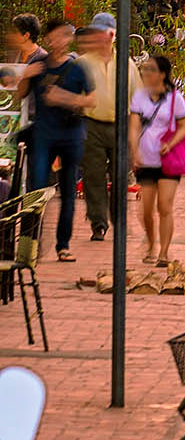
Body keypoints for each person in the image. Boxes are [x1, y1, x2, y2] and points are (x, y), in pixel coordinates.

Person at [18, 19, 94, 261]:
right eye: (56, 36)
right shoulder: (38, 65)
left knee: (68, 192)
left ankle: (63, 245)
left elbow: (92, 100)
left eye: (65, 35)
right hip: (43, 135)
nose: (61, 40)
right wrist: (25, 76)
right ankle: (30, 245)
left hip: (71, 136)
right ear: (48, 39)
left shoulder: (78, 68)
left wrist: (64, 99)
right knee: (35, 189)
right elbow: (19, 94)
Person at [76, 15, 139, 244]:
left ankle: (119, 221)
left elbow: (136, 103)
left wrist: (134, 138)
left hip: (119, 125)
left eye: (108, 33)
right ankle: (98, 224)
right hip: (91, 125)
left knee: (121, 176)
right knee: (93, 177)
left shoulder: (127, 64)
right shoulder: (82, 64)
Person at [130, 52, 185, 267]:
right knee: (146, 210)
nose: (145, 72)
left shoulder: (176, 98)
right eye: (144, 69)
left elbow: (184, 124)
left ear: (163, 74)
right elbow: (134, 124)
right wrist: (133, 150)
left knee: (164, 206)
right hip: (146, 160)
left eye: (150, 69)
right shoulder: (139, 97)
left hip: (168, 160)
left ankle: (163, 252)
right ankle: (150, 244)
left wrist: (171, 144)